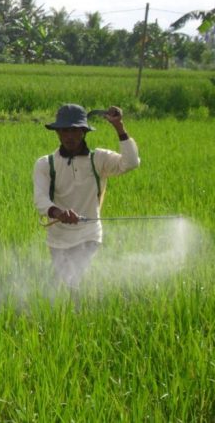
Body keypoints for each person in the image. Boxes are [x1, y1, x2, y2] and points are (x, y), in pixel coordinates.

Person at [33, 103, 140, 291]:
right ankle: (67, 312)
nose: (69, 136)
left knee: (75, 277)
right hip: (57, 237)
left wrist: (119, 127)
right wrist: (59, 213)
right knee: (63, 281)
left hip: (89, 233)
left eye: (74, 130)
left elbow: (130, 163)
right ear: (57, 132)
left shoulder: (98, 159)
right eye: (64, 131)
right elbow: (40, 199)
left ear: (84, 131)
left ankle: (78, 310)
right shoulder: (45, 164)